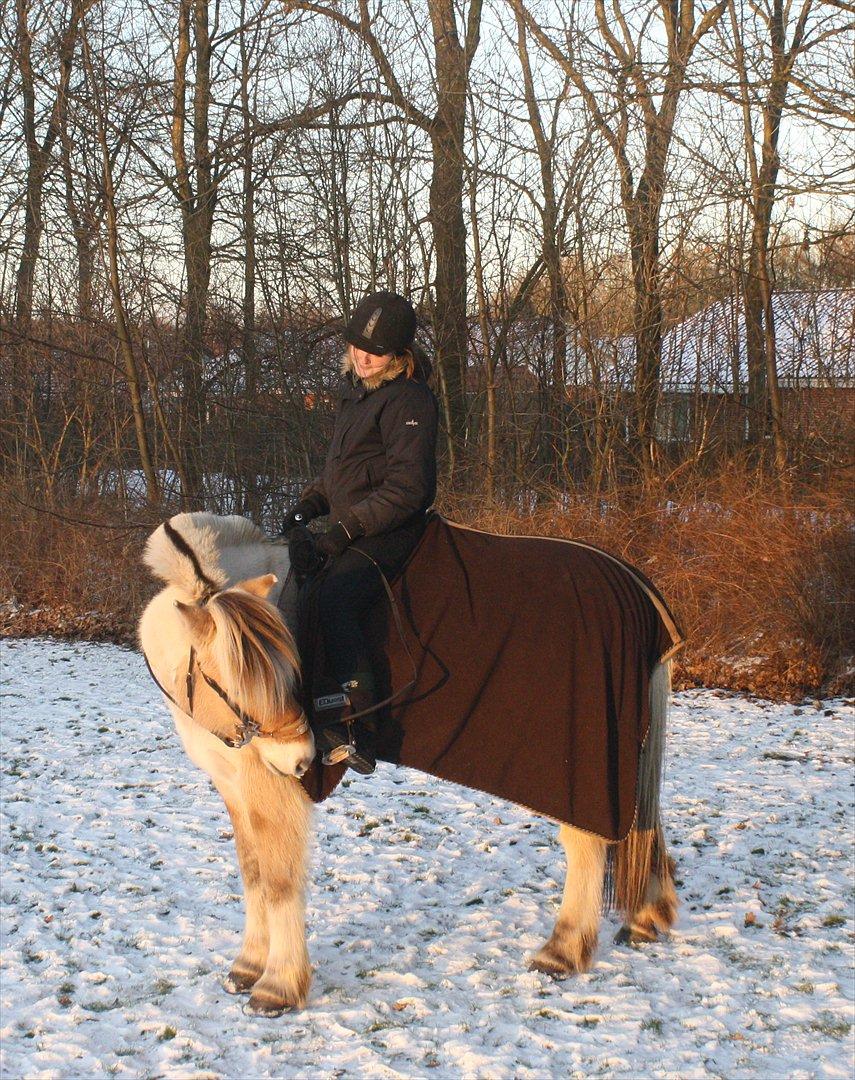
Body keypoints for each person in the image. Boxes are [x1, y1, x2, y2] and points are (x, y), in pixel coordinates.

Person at [281, 291, 439, 775]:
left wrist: (346, 527)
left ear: (397, 356)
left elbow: (410, 488)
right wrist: (309, 506)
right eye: (356, 346)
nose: (363, 357)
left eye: (375, 351)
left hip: (392, 528)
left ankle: (356, 724)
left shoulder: (409, 399)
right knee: (299, 588)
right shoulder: (356, 395)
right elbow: (341, 474)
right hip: (357, 525)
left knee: (336, 597)